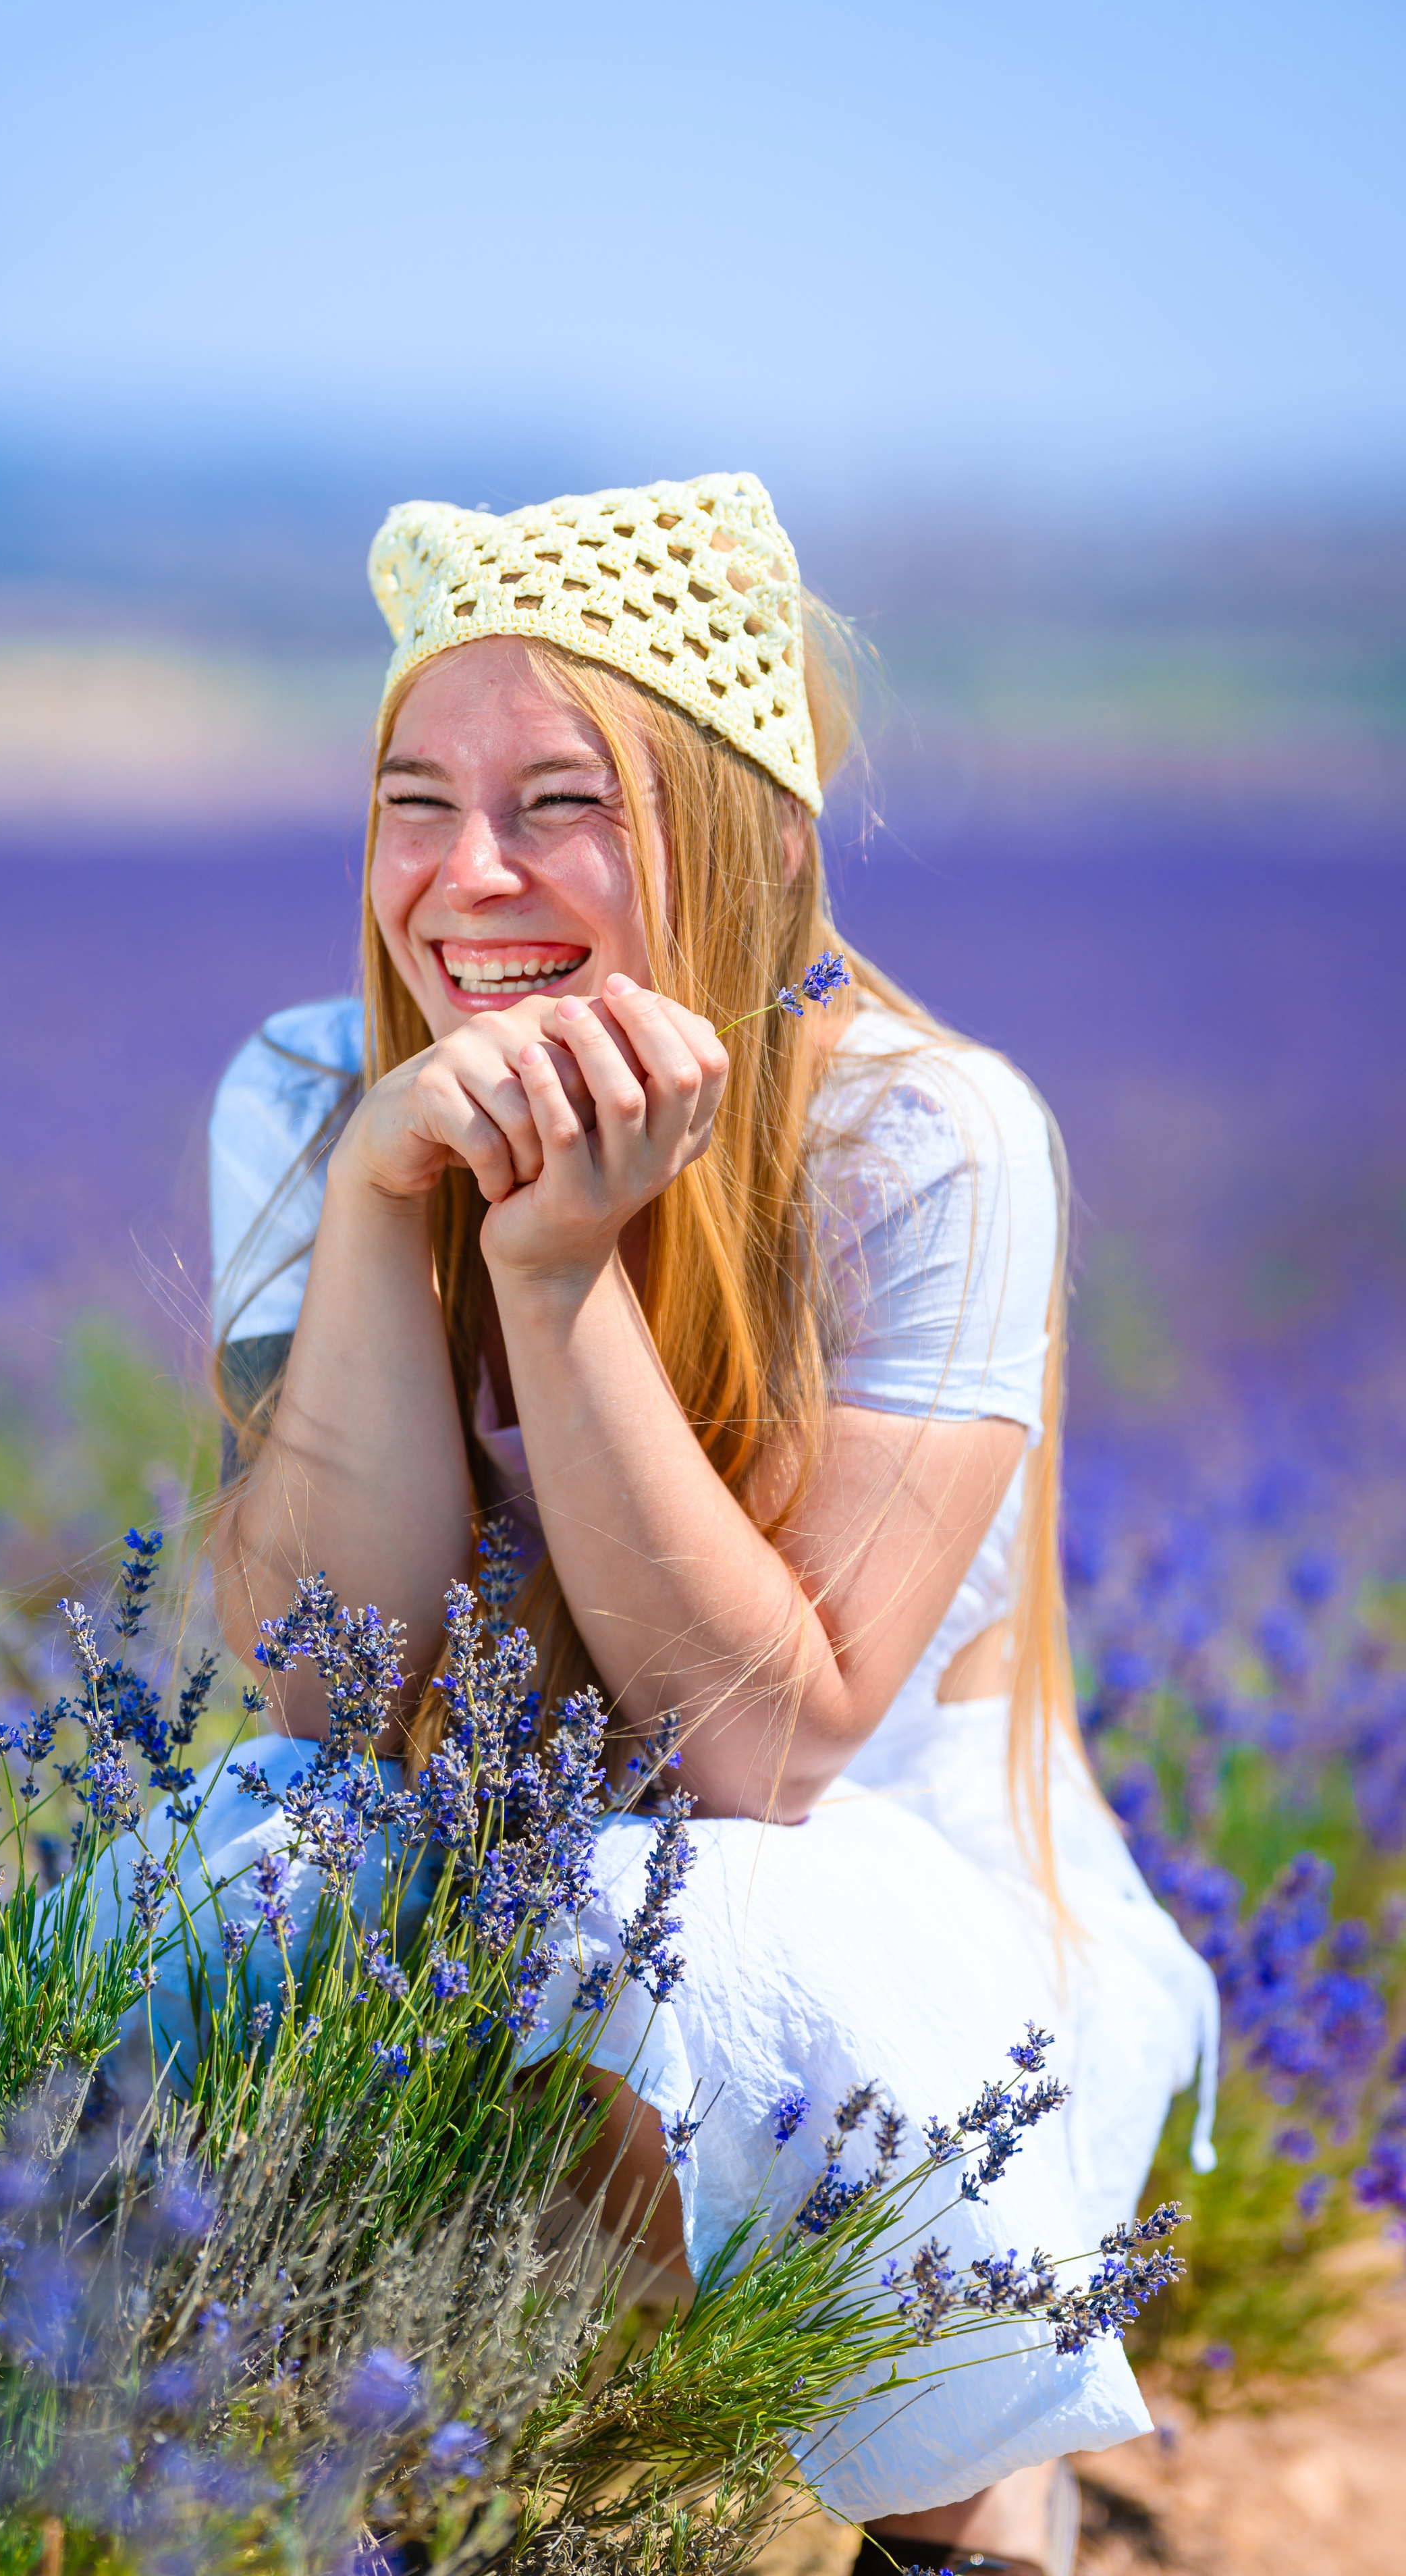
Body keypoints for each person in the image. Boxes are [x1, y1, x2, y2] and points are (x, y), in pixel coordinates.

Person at [195, 475, 1216, 2575]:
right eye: (415, 799)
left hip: (888, 1918)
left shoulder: (924, 1138)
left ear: (744, 837)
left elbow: (760, 1751)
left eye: (561, 801)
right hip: (508, 1865)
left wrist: (559, 1284)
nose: (467, 878)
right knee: (247, 1857)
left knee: (741, 1921)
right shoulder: (309, 1093)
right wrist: (395, 1209)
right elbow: (324, 1679)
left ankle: (965, 2501)